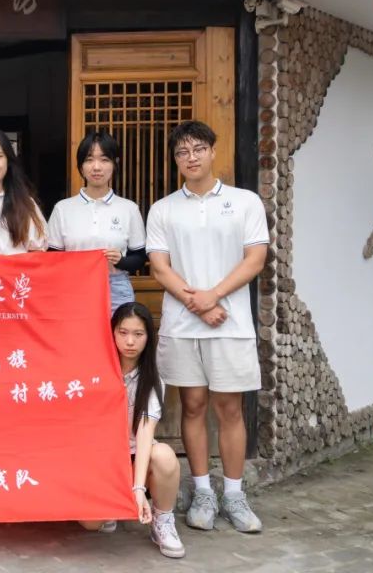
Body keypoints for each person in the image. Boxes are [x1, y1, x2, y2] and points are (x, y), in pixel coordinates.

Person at [146, 120, 269, 534]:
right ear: (175, 159)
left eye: (198, 149)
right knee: (193, 405)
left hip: (229, 324)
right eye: (182, 152)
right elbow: (160, 267)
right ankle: (202, 491)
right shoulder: (163, 209)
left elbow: (255, 259)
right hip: (183, 325)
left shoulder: (245, 202)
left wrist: (213, 296)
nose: (191, 157)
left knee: (229, 408)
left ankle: (234, 494)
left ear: (214, 151)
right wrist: (197, 303)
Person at [80, 302, 185, 558]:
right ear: (112, 333)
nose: (130, 341)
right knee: (92, 524)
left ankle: (162, 519)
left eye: (138, 334)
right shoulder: (95, 370)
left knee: (164, 456)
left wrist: (138, 488)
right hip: (101, 458)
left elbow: (145, 434)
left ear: (148, 337)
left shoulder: (152, 379)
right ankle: (112, 504)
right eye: (123, 332)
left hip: (136, 456)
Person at [48, 132, 146, 311]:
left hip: (115, 289)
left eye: (104, 160)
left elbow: (139, 258)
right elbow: (51, 258)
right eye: (89, 160)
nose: (96, 167)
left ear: (115, 164)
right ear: (81, 166)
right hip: (73, 287)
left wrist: (120, 260)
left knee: (117, 330)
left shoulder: (129, 208)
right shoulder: (63, 209)